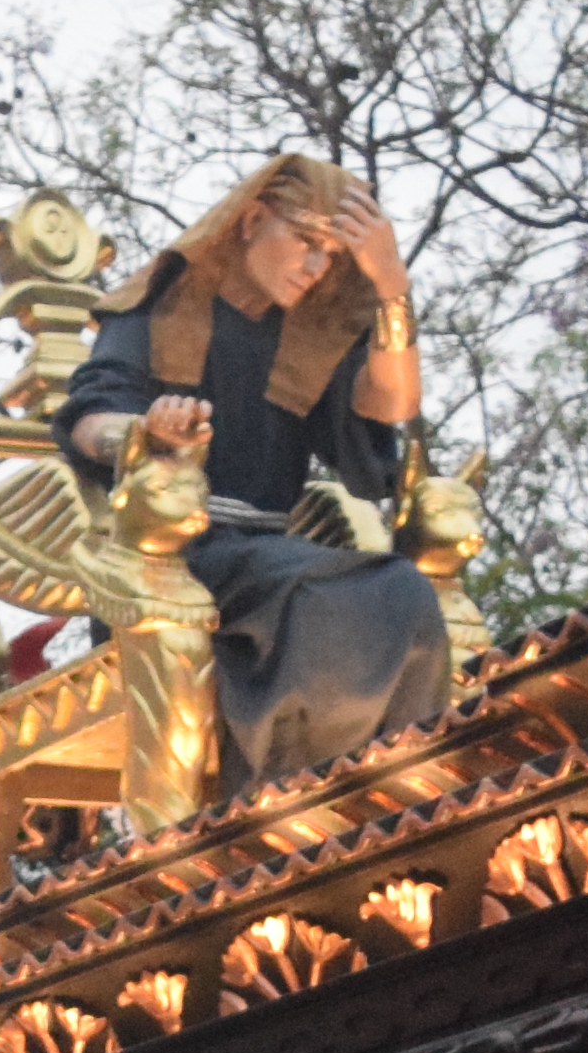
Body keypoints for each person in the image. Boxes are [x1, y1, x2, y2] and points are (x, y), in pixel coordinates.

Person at [52, 152, 457, 787]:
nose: (316, 267)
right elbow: (87, 417)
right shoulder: (157, 309)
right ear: (252, 222)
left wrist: (390, 289)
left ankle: (396, 785)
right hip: (167, 561)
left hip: (268, 560)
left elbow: (394, 405)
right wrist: (141, 432)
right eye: (306, 242)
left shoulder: (308, 341)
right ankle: (278, 788)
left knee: (404, 590)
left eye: (332, 257)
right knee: (325, 596)